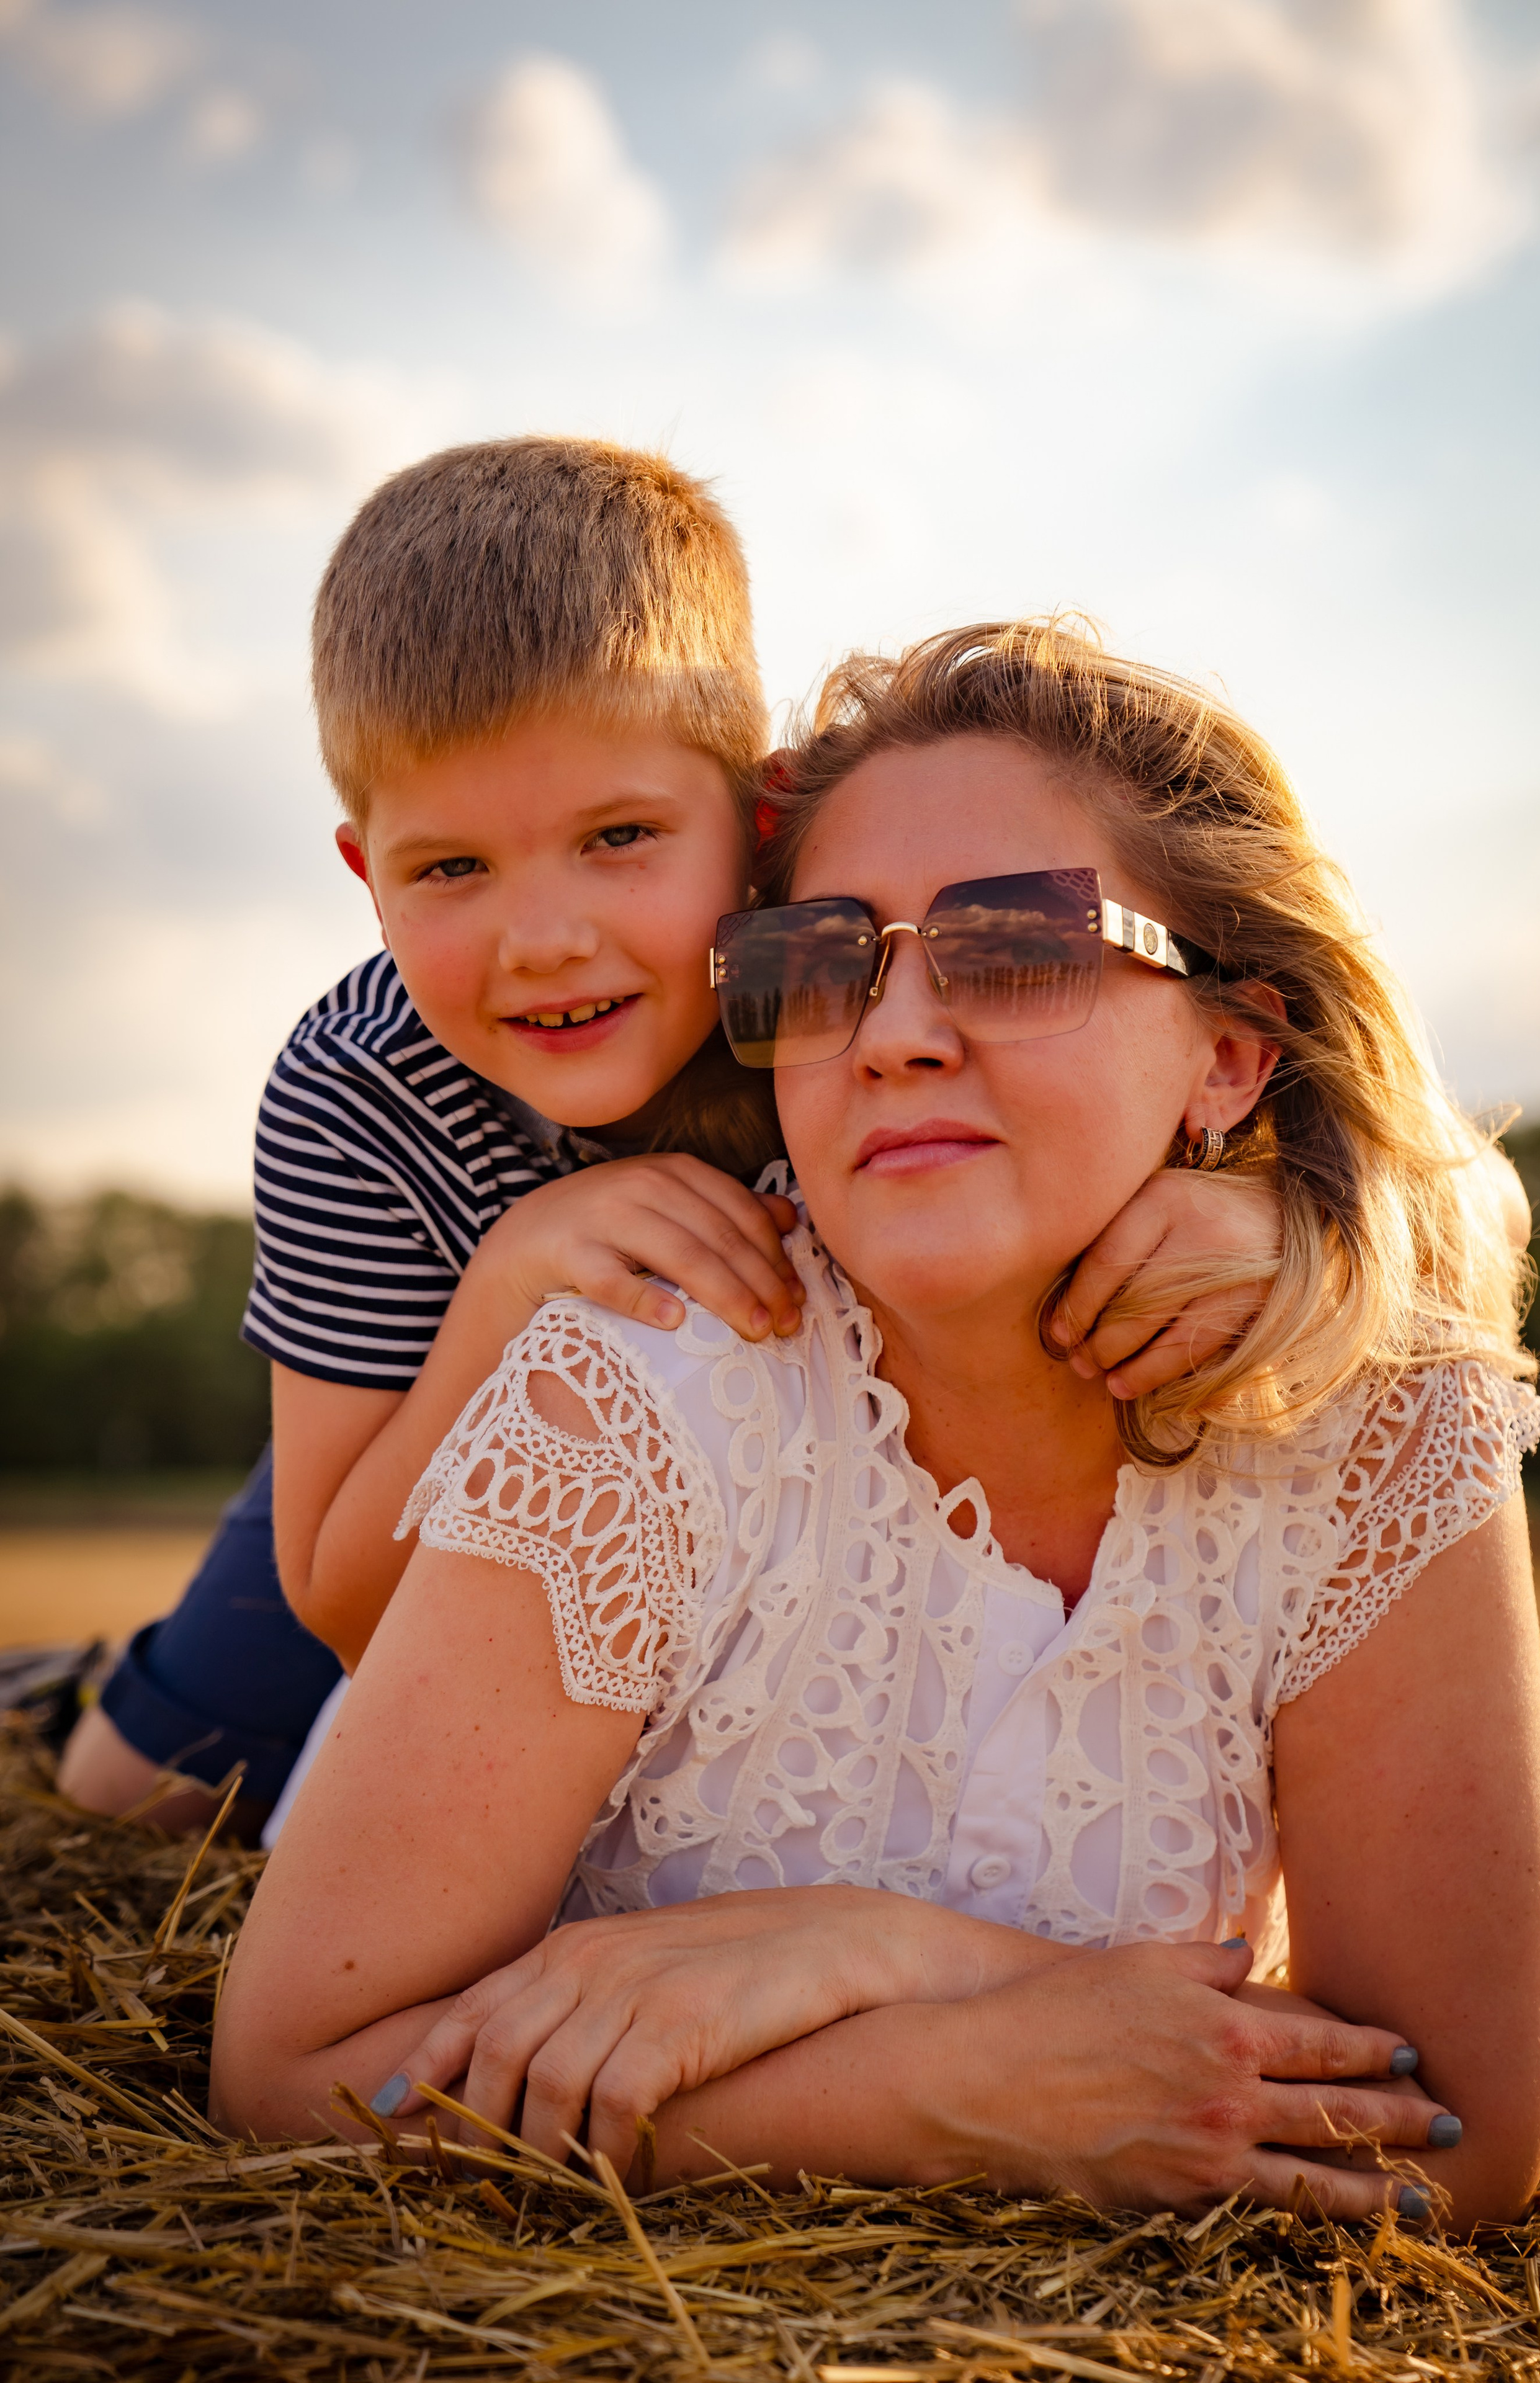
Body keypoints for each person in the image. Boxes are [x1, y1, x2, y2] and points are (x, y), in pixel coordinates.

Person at [212, 619, 1540, 2232]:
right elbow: (296, 2069)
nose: (897, 1030)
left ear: (1226, 1052)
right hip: (334, 1555)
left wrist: (884, 1955)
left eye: (1015, 946)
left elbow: (1451, 2128)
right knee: (155, 1739)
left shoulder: (1384, 1426)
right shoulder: (632, 1389)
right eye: (816, 964)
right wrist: (950, 2086)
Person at [60, 443, 1287, 1839]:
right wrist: (511, 1283)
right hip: (409, 1413)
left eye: (619, 837)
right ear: (367, 877)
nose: (543, 939)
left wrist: (1258, 1204)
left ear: (761, 820)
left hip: (773, 1505)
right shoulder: (358, 1089)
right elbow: (345, 1604)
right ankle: (67, 1695)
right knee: (133, 1797)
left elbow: (1358, 1141)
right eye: (451, 867)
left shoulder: (854, 982)